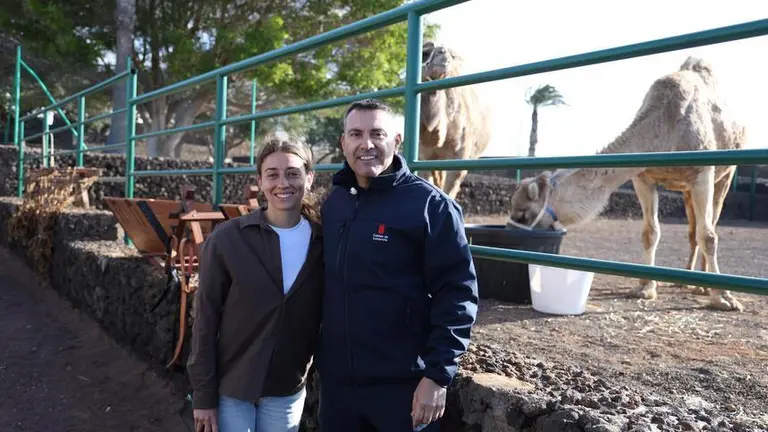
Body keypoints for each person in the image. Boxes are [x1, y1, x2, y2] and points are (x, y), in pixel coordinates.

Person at [316, 98, 479, 431]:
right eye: (356, 134)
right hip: (338, 389)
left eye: (377, 133)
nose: (367, 144)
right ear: (343, 142)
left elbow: (458, 295)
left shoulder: (431, 207)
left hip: (403, 388)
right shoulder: (334, 204)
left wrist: (437, 376)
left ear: (397, 140)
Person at [186, 138, 324, 432]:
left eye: (293, 173)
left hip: (287, 386)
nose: (282, 183)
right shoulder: (226, 240)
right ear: (260, 181)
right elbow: (205, 320)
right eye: (272, 174)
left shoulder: (324, 243)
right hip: (231, 386)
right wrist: (203, 395)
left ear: (309, 178)